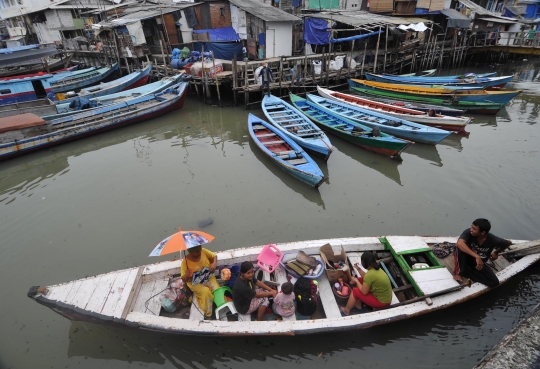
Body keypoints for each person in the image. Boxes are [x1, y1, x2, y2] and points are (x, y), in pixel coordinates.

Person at [454, 218, 512, 287]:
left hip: (479, 263)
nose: (471, 230)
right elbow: (459, 244)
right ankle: (458, 272)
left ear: (482, 233)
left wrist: (496, 253)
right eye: (471, 227)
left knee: (494, 282)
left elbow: (508, 243)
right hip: (466, 257)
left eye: (474, 229)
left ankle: (466, 272)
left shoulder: (493, 240)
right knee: (460, 248)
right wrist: (477, 256)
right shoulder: (468, 232)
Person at [180, 246, 219, 318]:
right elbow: (183, 279)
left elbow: (214, 256)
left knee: (217, 290)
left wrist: (214, 263)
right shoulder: (185, 262)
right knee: (206, 293)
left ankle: (219, 306)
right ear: (191, 252)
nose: (200, 251)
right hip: (195, 283)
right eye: (197, 251)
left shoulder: (203, 251)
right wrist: (187, 274)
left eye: (200, 249)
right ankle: (208, 313)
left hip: (208, 277)